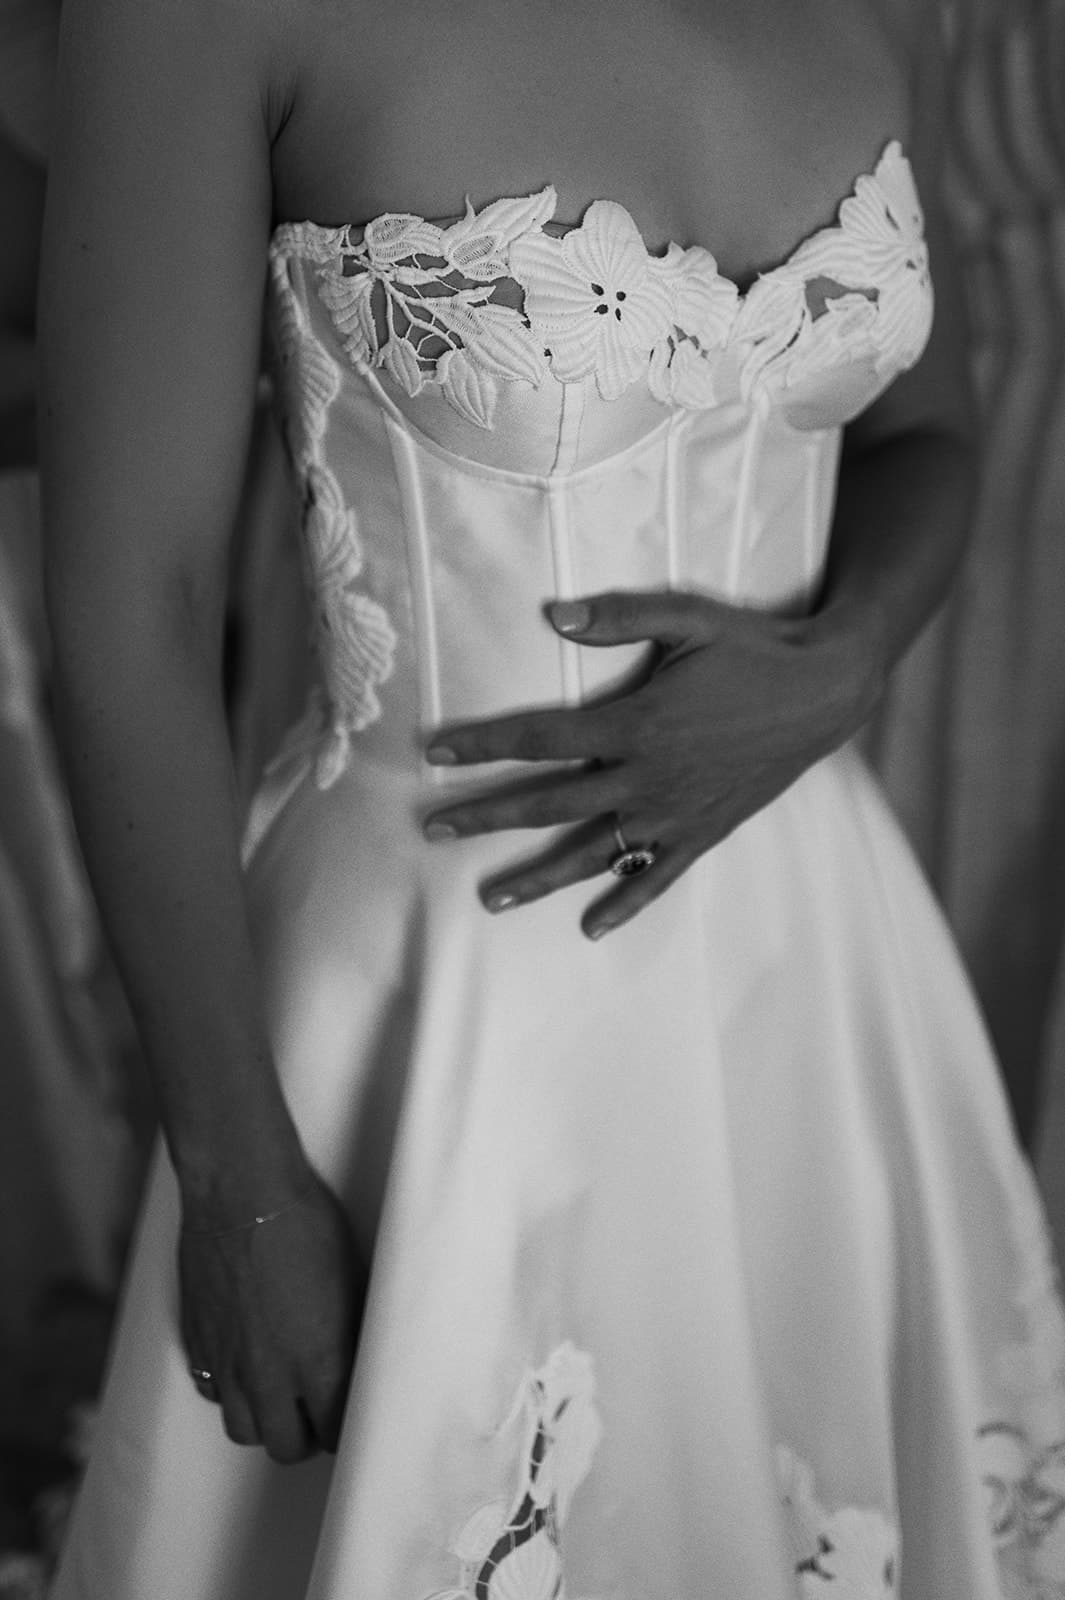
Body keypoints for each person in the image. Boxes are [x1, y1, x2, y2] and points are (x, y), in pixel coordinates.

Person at [38, 0, 1065, 1593]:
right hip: (439, 999)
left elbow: (923, 432)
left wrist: (846, 655)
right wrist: (238, 1182)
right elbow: (128, 604)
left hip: (817, 961)